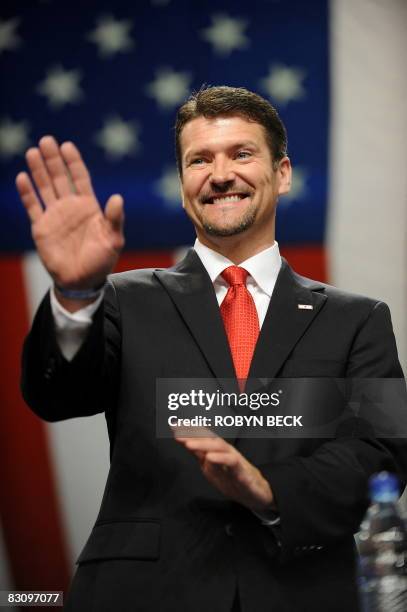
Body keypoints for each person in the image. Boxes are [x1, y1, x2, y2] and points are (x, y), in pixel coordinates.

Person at [17, 86, 407, 612]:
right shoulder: (121, 302)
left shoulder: (358, 319)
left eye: (241, 154)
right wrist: (74, 293)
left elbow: (382, 453)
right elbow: (56, 397)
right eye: (199, 159)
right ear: (182, 185)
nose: (220, 174)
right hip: (145, 596)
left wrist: (269, 488)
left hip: (301, 593)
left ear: (283, 173)